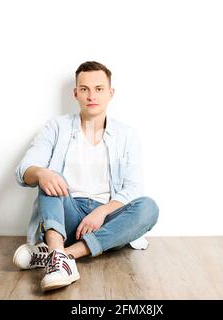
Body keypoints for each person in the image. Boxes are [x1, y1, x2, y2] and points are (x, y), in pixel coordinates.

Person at [13, 61, 159, 291]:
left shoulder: (127, 135)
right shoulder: (56, 127)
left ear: (110, 93)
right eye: (84, 89)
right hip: (66, 215)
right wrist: (41, 173)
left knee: (149, 208)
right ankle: (59, 254)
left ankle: (60, 255)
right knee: (49, 177)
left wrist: (101, 212)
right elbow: (24, 169)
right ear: (75, 93)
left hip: (107, 219)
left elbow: (133, 189)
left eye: (99, 89)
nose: (92, 95)